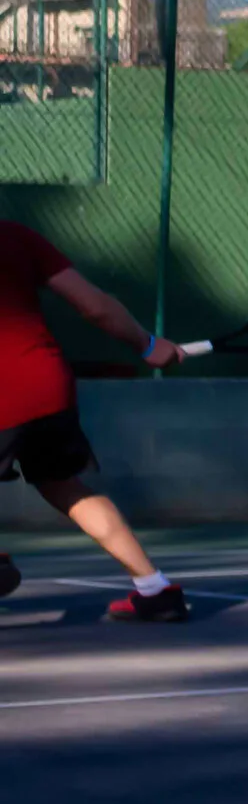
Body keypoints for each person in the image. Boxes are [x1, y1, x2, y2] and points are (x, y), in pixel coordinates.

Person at [0, 220, 190, 621]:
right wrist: (148, 345)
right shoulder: (17, 236)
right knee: (63, 485)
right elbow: (94, 306)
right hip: (45, 385)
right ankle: (155, 589)